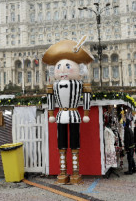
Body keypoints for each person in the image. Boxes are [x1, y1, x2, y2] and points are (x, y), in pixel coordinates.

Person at [42, 37, 94, 184]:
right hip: (60, 116)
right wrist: (51, 114)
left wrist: (86, 114)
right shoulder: (54, 85)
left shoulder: (80, 84)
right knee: (62, 143)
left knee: (75, 143)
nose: (63, 70)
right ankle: (63, 171)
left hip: (74, 115)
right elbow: (50, 99)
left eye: (67, 66)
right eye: (59, 66)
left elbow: (86, 97)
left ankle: (75, 172)